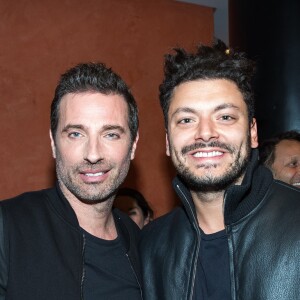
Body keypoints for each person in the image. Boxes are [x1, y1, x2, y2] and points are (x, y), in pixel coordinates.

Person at [139, 40, 300, 300]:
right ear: (168, 142)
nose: (205, 133)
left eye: (225, 117)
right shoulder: (149, 248)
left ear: (253, 132)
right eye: (186, 120)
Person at [0, 63, 143, 299]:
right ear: (54, 143)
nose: (93, 154)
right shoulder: (9, 228)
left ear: (133, 145)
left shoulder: (144, 245)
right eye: (76, 134)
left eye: (110, 134)